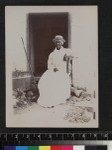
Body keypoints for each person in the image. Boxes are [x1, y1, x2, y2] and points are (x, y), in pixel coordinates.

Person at [38, 35, 73, 107]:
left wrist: (68, 56)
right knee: (45, 81)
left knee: (58, 80)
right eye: (57, 42)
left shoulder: (66, 51)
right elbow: (49, 64)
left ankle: (59, 97)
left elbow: (72, 58)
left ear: (62, 43)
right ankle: (48, 98)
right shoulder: (52, 54)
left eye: (59, 42)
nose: (58, 44)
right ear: (55, 43)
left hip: (62, 71)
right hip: (53, 70)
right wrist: (53, 68)